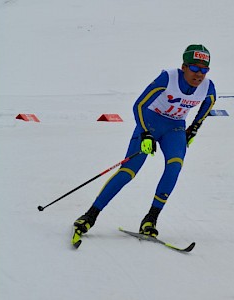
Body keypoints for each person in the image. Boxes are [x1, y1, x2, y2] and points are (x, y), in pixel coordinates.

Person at [73, 44, 216, 240]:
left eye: (204, 69)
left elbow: (208, 106)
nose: (199, 74)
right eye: (195, 68)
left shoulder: (208, 87)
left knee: (174, 167)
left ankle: (151, 219)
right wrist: (145, 134)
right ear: (184, 67)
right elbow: (139, 105)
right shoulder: (168, 78)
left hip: (175, 129)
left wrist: (193, 129)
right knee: (128, 172)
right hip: (150, 123)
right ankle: (90, 215)